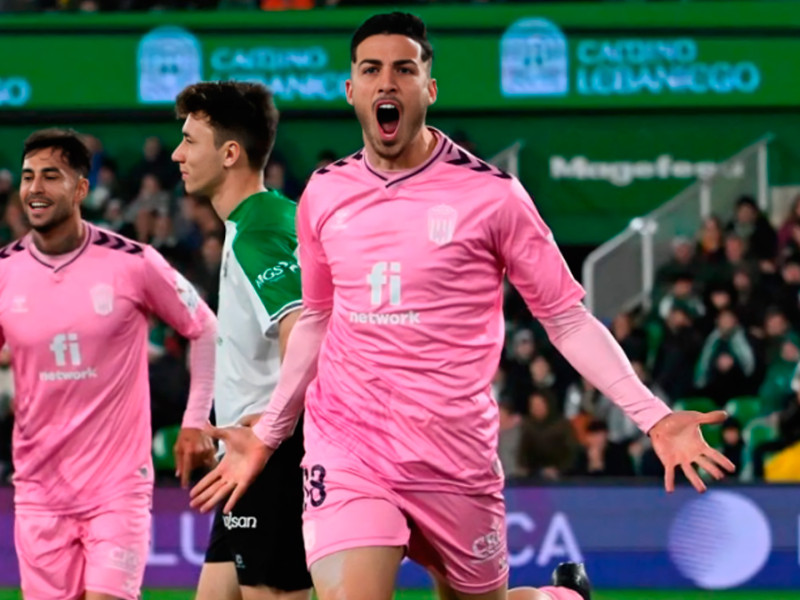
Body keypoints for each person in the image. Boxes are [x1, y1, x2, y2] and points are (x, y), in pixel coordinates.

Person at [190, 13, 735, 600]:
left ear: (430, 88)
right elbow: (318, 321)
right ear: (352, 91)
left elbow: (566, 317)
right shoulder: (324, 193)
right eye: (371, 70)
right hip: (349, 448)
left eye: (405, 69)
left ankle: (560, 596)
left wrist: (652, 415)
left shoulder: (492, 196)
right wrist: (272, 434)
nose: (387, 83)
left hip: (455, 458)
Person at [2, 128, 218, 600]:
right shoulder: (4, 271)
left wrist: (195, 421)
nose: (35, 189)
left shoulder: (133, 263)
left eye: (50, 177)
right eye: (27, 177)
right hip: (39, 490)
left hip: (116, 486)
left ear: (81, 188)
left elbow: (204, 328)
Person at [172, 81, 312, 600]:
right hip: (248, 456)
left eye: (190, 140)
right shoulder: (265, 217)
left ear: (230, 153)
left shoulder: (259, 233)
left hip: (272, 455)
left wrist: (268, 423)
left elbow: (305, 331)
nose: (176, 153)